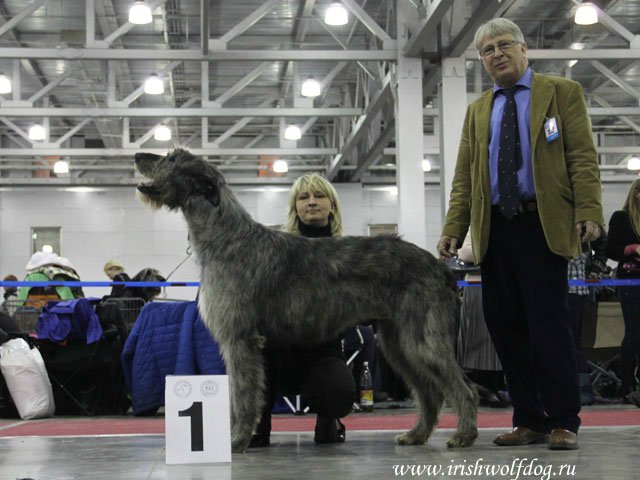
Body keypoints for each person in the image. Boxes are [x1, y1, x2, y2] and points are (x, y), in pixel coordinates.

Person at [437, 18, 603, 450]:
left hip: (541, 224)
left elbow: (582, 157)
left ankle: (564, 419)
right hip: (494, 229)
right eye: (487, 50)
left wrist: (589, 210)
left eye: (503, 45)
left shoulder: (561, 93)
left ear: (524, 49)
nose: (496, 54)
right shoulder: (478, 110)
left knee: (549, 326)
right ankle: (529, 419)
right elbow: (465, 178)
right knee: (504, 327)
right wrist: (454, 228)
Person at [249, 173, 357, 447]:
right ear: (295, 207)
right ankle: (257, 427)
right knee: (253, 358)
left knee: (339, 392)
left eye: (319, 196)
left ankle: (329, 419)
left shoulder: (348, 252)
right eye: (303, 197)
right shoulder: (275, 250)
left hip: (323, 353)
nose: (311, 202)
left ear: (332, 205)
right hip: (279, 353)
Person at [456, 235, 506, 408]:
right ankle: (480, 390)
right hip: (477, 285)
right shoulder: (473, 226)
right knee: (476, 340)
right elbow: (464, 253)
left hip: (502, 284)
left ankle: (496, 388)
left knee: (496, 341)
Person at [604, 179, 640, 403]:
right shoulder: (621, 218)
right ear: (635, 193)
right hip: (630, 282)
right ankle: (627, 386)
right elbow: (611, 250)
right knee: (634, 333)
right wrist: (633, 248)